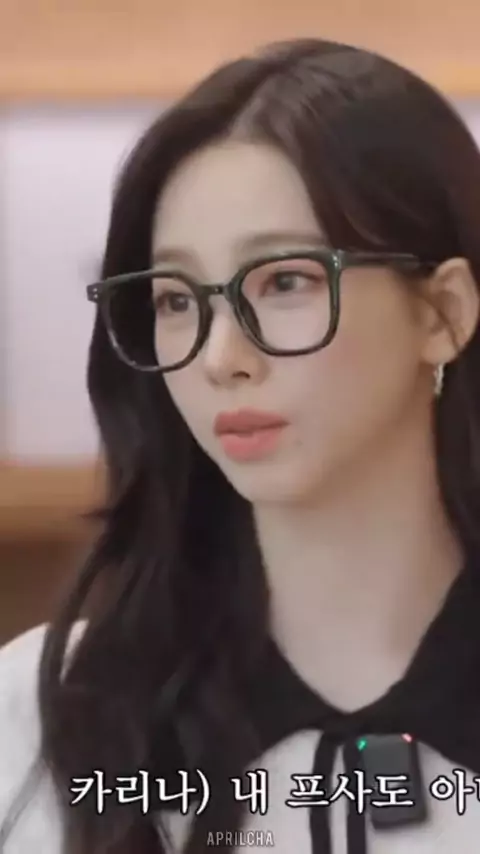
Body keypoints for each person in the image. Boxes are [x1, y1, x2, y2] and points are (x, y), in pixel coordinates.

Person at [2, 36, 480, 854]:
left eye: (285, 282)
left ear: (443, 313)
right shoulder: (40, 718)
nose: (221, 357)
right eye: (175, 298)